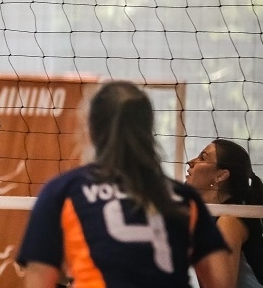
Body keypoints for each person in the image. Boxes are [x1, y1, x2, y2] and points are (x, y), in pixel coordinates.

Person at [17, 80, 231, 288]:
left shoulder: (62, 191)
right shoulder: (185, 198)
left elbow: (39, 280)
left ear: (91, 130)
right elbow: (220, 282)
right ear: (148, 130)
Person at [186, 139, 263, 287]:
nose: (191, 162)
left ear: (221, 176)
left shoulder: (229, 221)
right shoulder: (211, 217)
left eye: (203, 157)